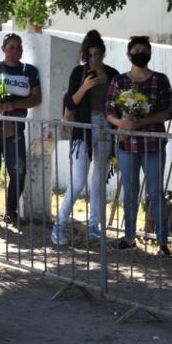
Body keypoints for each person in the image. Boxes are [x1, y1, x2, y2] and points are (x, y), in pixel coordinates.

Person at [105, 36, 172, 255]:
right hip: (127, 145)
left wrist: (143, 120)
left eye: (145, 50)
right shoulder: (119, 81)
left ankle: (163, 243)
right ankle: (129, 238)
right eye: (137, 50)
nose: (141, 53)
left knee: (156, 193)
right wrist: (121, 123)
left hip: (153, 143)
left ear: (150, 53)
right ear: (128, 54)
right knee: (130, 192)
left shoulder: (160, 80)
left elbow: (168, 110)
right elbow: (108, 109)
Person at [52, 30, 120, 247]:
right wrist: (87, 85)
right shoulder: (79, 73)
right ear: (85, 55)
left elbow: (119, 102)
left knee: (99, 181)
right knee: (78, 181)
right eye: (91, 55)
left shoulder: (112, 74)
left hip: (105, 128)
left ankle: (93, 228)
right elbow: (71, 103)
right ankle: (58, 226)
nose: (95, 58)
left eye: (98, 53)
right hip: (83, 130)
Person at [0, 33, 42, 227]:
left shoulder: (29, 71)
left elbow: (36, 98)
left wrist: (14, 105)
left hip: (15, 129)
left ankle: (11, 212)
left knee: (18, 171)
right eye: (11, 46)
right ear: (4, 49)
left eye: (18, 47)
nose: (15, 50)